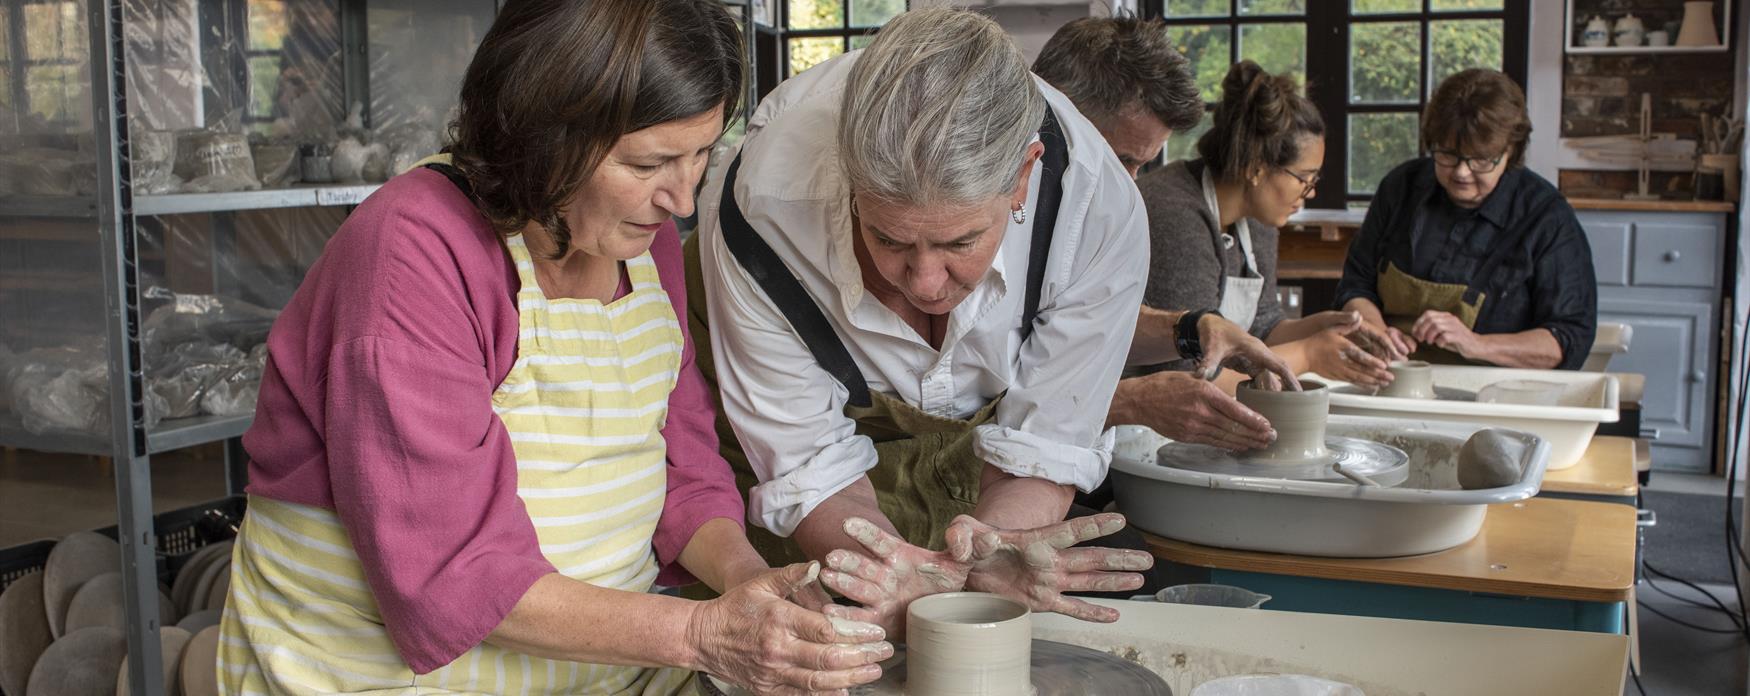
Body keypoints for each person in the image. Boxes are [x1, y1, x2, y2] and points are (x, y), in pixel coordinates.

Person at [218, 1, 889, 693]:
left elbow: (683, 466)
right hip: (380, 673)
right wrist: (703, 634)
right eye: (650, 162)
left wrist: (748, 584)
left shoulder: (640, 237)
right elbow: (452, 574)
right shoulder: (413, 253)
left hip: (600, 665)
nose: (683, 201)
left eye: (701, 155)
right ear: (546, 136)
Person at [684, 8, 1156, 635]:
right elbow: (807, 462)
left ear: (1023, 176)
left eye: (960, 242)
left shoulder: (1096, 213)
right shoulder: (765, 208)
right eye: (889, 239)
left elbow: (1043, 445)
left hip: (976, 446)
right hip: (794, 449)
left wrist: (995, 553)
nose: (927, 283)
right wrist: (885, 570)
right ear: (849, 183)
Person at [1031, 25, 1335, 453]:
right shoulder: (986, 214)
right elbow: (987, 399)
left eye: (1140, 166)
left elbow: (1089, 321)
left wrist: (1193, 327)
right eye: (1120, 161)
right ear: (1051, 115)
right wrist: (1130, 400)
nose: (1130, 187)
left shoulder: (1094, 205)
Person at [1335, 68, 1596, 370]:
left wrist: (1477, 344)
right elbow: (1355, 286)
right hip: (1389, 376)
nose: (1461, 173)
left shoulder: (1547, 217)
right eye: (1447, 155)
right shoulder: (1400, 188)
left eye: (1481, 160)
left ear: (1510, 151)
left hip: (1497, 390)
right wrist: (1377, 334)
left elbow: (1568, 338)